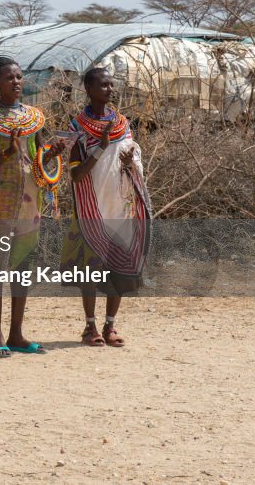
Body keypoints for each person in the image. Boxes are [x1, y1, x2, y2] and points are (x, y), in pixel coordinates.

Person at [0, 55, 65, 358]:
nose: (16, 82)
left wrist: (53, 154)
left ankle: (16, 333)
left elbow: (39, 160)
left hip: (30, 202)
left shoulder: (35, 118)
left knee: (22, 266)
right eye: (9, 78)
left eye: (19, 76)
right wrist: (7, 154)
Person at [61, 67, 151, 347]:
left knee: (120, 267)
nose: (110, 90)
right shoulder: (77, 127)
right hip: (91, 206)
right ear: (87, 89)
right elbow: (76, 174)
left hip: (121, 206)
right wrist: (100, 147)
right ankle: (90, 327)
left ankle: (110, 325)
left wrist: (129, 160)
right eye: (103, 85)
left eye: (112, 85)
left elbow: (132, 159)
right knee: (91, 266)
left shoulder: (123, 123)